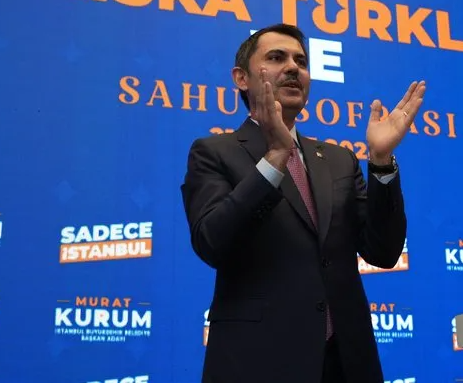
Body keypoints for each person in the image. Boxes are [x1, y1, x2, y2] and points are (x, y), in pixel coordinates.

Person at [181, 23, 425, 383]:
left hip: (346, 363)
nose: (293, 68)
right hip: (257, 363)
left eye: (301, 61)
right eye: (276, 57)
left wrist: (380, 162)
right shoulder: (214, 152)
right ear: (242, 79)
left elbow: (384, 252)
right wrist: (275, 157)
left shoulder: (339, 160)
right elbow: (212, 241)